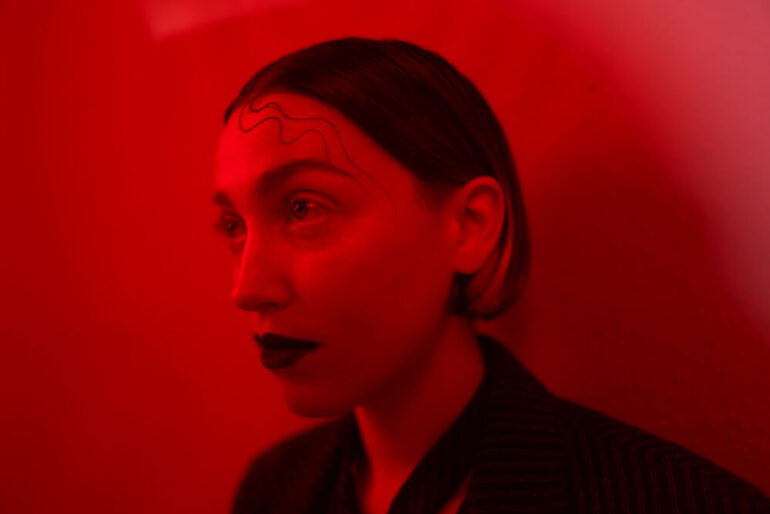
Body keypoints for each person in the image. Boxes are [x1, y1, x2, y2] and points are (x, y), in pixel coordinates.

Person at [211, 37, 770, 514]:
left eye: (303, 208)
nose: (247, 289)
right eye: (234, 225)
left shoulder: (673, 500)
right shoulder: (272, 490)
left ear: (470, 225)